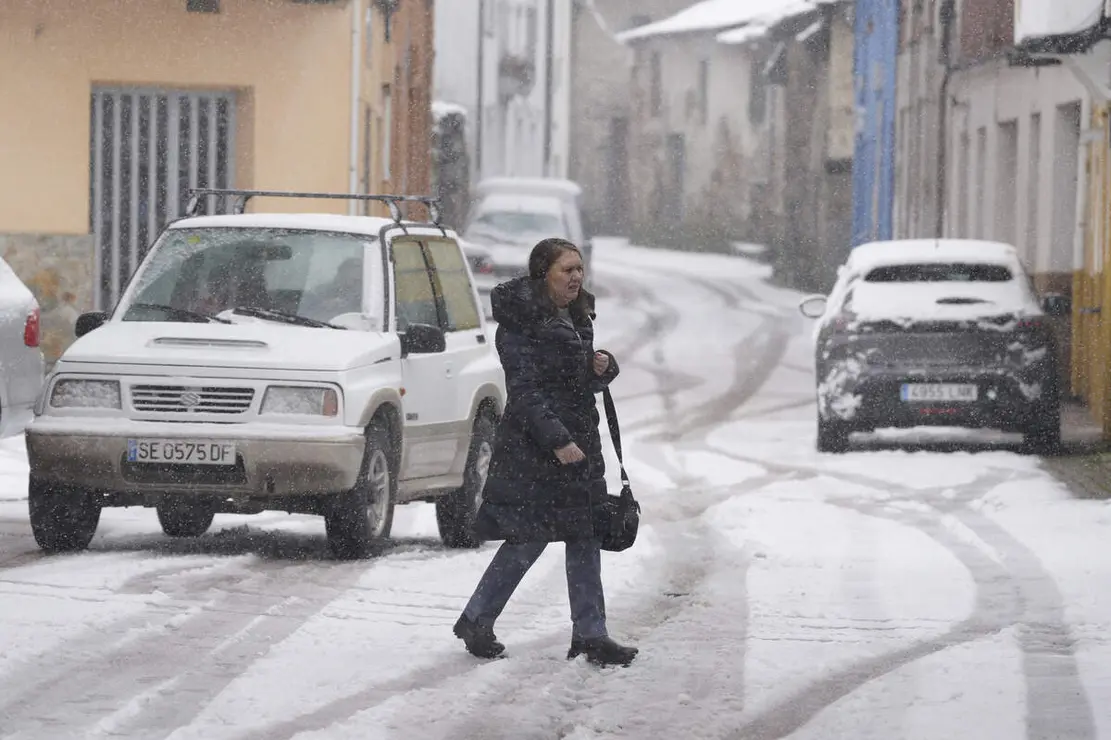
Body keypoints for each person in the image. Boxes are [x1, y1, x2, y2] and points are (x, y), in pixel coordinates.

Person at [453, 237, 638, 668]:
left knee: (585, 534)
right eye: (566, 270)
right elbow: (526, 391)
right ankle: (476, 619)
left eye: (579, 268)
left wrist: (601, 367)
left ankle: (591, 635)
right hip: (533, 450)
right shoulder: (519, 322)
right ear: (543, 274)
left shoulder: (576, 314)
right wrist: (557, 440)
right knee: (527, 539)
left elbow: (576, 382)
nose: (576, 276)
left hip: (579, 444)